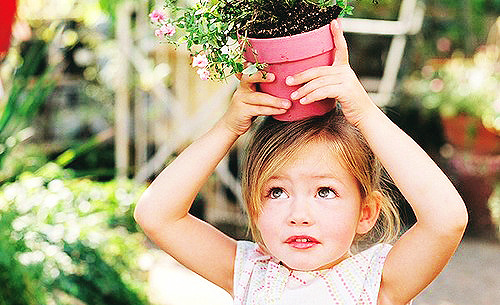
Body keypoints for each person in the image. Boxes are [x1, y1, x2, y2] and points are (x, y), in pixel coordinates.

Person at [134, 19, 468, 304]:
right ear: (254, 210)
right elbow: (156, 214)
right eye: (276, 192)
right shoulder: (249, 273)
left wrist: (366, 114)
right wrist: (228, 127)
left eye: (325, 191)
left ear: (365, 213)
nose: (299, 216)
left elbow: (447, 219)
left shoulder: (378, 284)